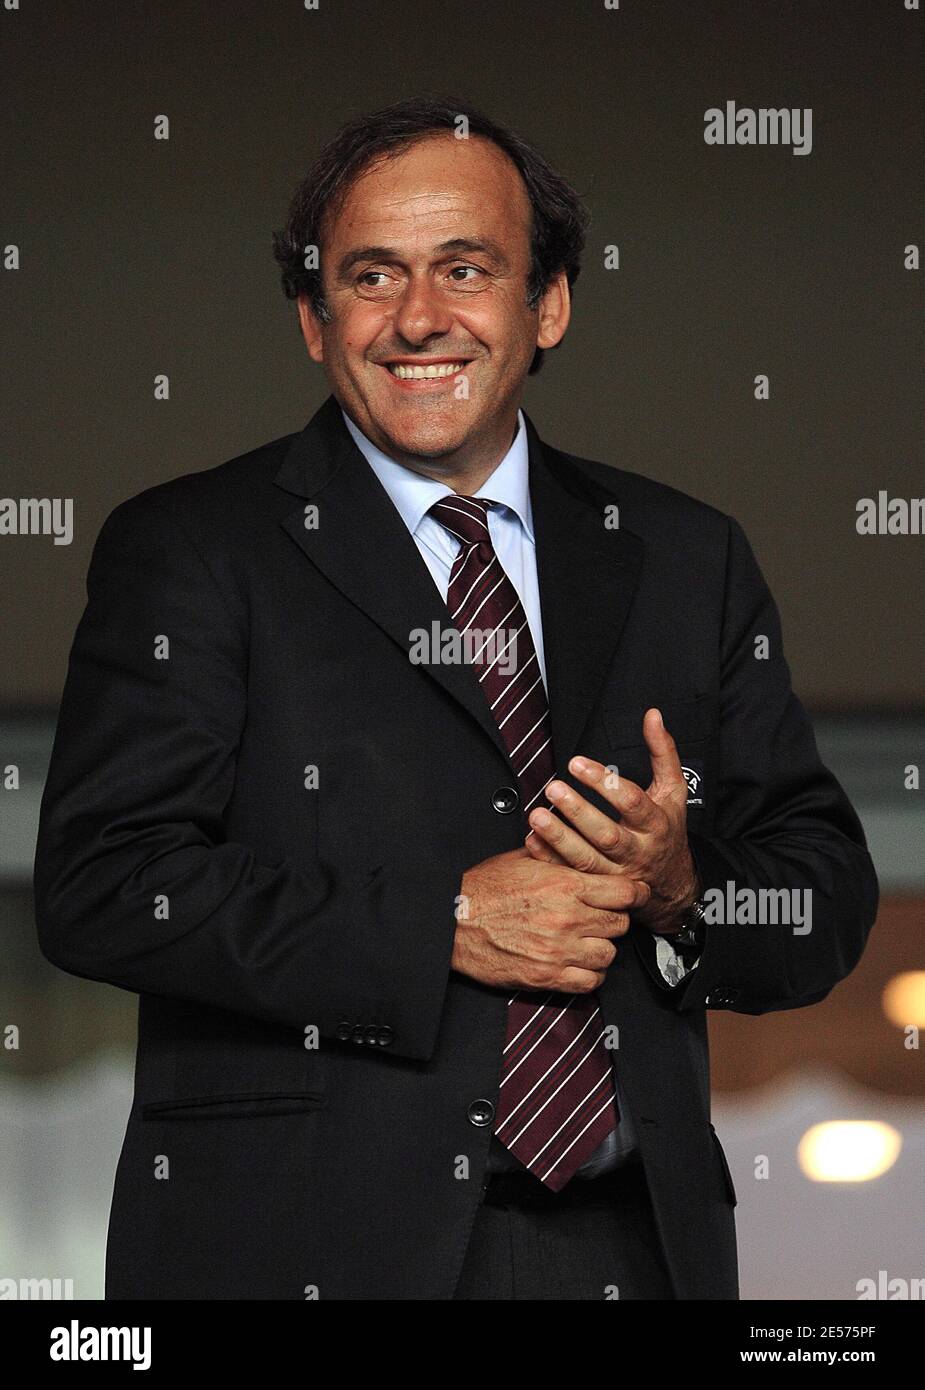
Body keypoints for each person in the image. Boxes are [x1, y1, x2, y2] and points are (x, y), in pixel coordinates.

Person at [33, 97, 878, 1300]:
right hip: (301, 1254)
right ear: (314, 322)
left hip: (632, 1251)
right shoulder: (192, 549)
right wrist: (441, 926)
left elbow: (825, 895)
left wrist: (682, 886)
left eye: (465, 268)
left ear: (548, 306)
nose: (417, 318)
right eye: (369, 277)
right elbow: (102, 886)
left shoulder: (689, 557)